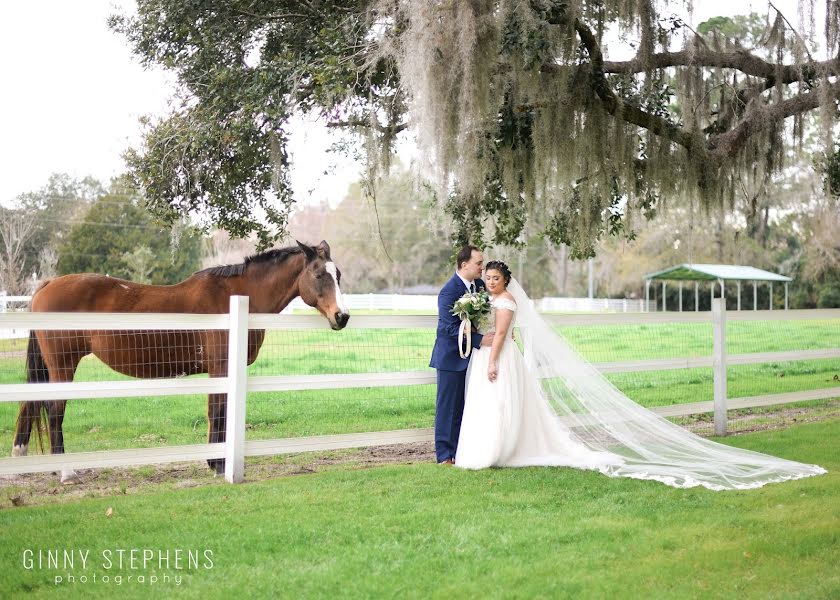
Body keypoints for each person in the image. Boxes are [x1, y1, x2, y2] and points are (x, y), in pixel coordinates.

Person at [454, 262, 827, 490]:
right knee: (495, 406)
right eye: (487, 277)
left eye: (495, 277)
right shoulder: (488, 299)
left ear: (506, 280)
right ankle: (495, 449)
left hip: (499, 359)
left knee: (499, 403)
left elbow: (502, 334)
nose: (490, 282)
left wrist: (491, 361)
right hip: (496, 355)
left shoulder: (505, 302)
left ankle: (498, 450)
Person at [429, 246, 495, 464]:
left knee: (465, 407)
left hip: (473, 358)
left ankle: (461, 451)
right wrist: (479, 340)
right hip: (450, 357)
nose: (481, 267)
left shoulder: (479, 286)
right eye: (478, 263)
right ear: (464, 264)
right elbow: (447, 328)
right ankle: (444, 456)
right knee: (448, 407)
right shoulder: (449, 291)